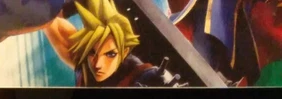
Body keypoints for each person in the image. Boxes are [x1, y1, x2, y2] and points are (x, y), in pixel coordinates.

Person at [44, 0, 182, 86]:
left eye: (110, 54)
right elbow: (46, 19)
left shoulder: (145, 77)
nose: (98, 64)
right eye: (92, 52)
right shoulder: (84, 67)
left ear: (124, 52)